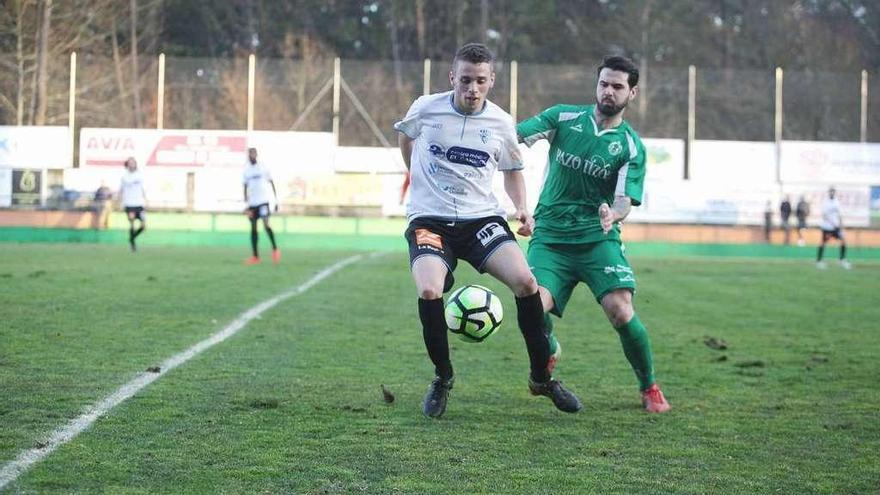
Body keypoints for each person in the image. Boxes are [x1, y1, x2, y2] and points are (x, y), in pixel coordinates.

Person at [395, 43, 581, 418]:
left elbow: (513, 170)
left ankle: (541, 379)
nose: (472, 88)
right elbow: (406, 138)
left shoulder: (500, 122)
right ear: (452, 78)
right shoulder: (425, 108)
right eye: (465, 80)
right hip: (430, 220)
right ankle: (443, 378)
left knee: (527, 283)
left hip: (481, 220)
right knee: (430, 288)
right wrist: (415, 176)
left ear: (491, 80)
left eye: (480, 80)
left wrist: (521, 209)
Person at [516, 55, 671, 413]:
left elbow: (624, 201)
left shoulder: (631, 146)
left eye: (618, 86)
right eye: (604, 83)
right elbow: (516, 137)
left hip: (597, 240)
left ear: (632, 93)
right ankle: (550, 346)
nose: (609, 91)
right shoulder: (563, 117)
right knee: (532, 308)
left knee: (620, 309)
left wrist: (611, 214)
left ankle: (648, 386)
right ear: (596, 85)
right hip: (551, 237)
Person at [243, 147, 280, 265]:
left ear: (256, 155)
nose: (251, 156)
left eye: (253, 154)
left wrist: (276, 200)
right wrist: (246, 204)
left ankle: (275, 249)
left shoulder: (263, 167)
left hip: (263, 201)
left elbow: (271, 182)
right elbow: (245, 187)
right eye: (250, 154)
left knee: (266, 225)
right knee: (253, 228)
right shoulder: (246, 170)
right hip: (252, 204)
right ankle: (255, 256)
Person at [816, 187, 851, 269]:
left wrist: (841, 226)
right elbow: (824, 216)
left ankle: (842, 260)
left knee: (843, 241)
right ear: (828, 193)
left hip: (836, 227)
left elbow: (839, 215)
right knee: (823, 243)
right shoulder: (825, 203)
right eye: (830, 192)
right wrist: (833, 224)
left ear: (835, 193)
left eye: (833, 192)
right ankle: (819, 261)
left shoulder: (837, 202)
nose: (832, 193)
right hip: (827, 227)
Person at [119, 157, 147, 251]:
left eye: (133, 162)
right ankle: (133, 245)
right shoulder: (124, 177)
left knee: (143, 226)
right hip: (129, 203)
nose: (132, 164)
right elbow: (121, 190)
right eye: (130, 163)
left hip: (139, 203)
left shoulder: (140, 175)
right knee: (132, 222)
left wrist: (146, 200)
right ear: (127, 164)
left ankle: (131, 239)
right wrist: (120, 202)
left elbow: (144, 188)